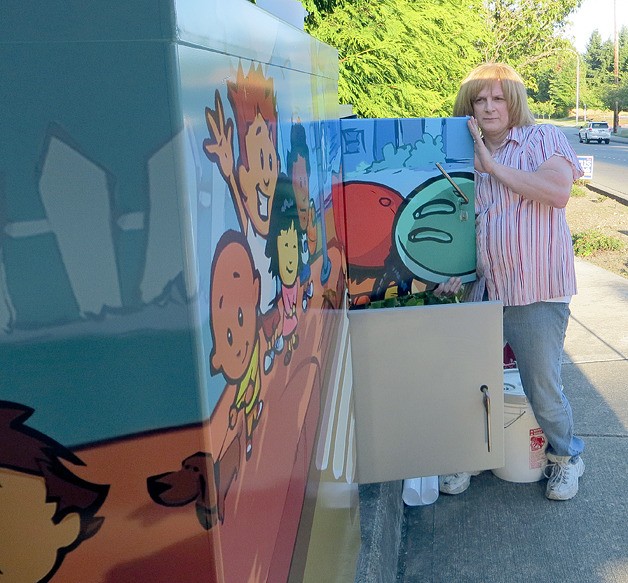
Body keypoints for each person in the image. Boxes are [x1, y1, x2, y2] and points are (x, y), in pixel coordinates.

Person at [436, 62, 585, 501]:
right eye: (479, 99)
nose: (488, 107)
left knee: (542, 385)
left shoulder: (543, 138)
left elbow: (557, 192)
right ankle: (470, 456)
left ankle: (566, 458)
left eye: (498, 97)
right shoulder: (460, 152)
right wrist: (450, 273)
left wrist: (494, 167)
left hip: (537, 291)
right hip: (483, 292)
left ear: (513, 101)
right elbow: (462, 224)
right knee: (471, 381)